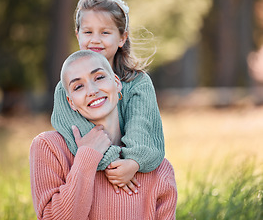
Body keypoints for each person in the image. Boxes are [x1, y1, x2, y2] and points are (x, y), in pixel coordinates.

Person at [30, 50, 177, 219]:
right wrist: (87, 156)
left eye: (99, 77)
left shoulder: (158, 169)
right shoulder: (49, 147)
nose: (92, 90)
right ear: (71, 102)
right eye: (78, 86)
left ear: (116, 82)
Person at [51, 0, 165, 194]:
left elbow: (143, 126)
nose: (95, 40)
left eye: (105, 33)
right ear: (78, 35)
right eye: (88, 32)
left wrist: (132, 163)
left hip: (131, 171)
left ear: (122, 38)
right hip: (90, 172)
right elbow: (75, 129)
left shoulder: (137, 82)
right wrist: (113, 163)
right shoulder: (67, 86)